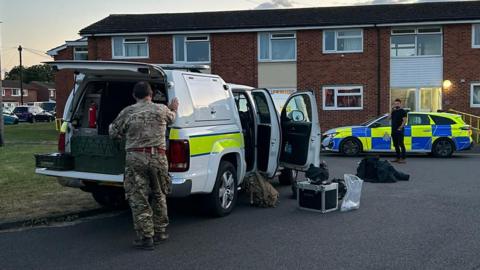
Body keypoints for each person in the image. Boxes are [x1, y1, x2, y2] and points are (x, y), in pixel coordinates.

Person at [109, 81, 179, 250]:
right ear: (151, 94)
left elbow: (113, 132)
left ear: (134, 95)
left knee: (138, 197)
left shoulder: (128, 112)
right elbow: (173, 117)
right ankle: (160, 232)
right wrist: (173, 108)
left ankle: (146, 237)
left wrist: (121, 136)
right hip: (159, 158)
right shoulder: (162, 110)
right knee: (159, 194)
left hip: (136, 158)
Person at [390, 98, 407, 163]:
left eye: (397, 103)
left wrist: (400, 127)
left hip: (399, 130)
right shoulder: (394, 112)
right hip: (393, 130)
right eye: (395, 104)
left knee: (401, 144)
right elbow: (388, 118)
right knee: (396, 145)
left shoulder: (403, 111)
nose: (396, 105)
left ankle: (403, 159)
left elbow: (404, 121)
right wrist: (391, 110)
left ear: (400, 104)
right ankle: (397, 158)